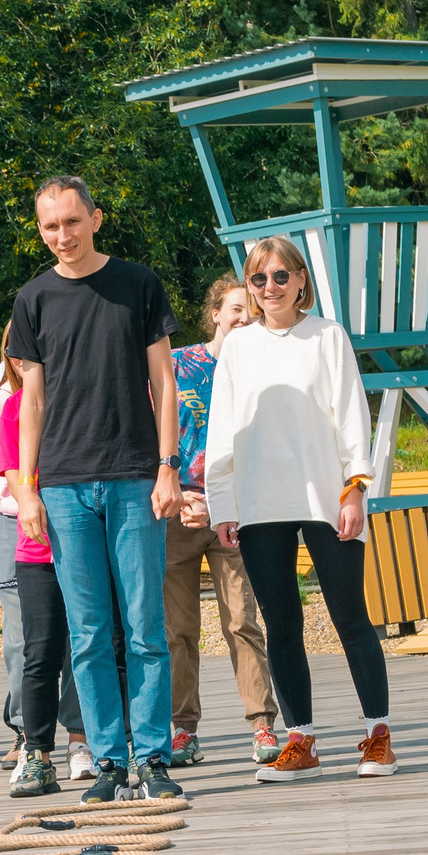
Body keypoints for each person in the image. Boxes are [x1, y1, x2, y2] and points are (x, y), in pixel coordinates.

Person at [5, 175, 184, 806]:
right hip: (63, 484)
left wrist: (169, 466)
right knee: (87, 631)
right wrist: (26, 490)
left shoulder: (137, 284)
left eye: (72, 222)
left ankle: (153, 757)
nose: (62, 236)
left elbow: (165, 382)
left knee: (143, 627)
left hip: (136, 476)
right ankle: (108, 760)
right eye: (51, 226)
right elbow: (32, 402)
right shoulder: (34, 298)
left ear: (96, 219)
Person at [205, 234, 396, 782]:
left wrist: (355, 488)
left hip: (326, 498)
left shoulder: (327, 337)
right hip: (261, 503)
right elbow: (223, 431)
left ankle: (378, 736)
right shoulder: (238, 348)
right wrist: (223, 502)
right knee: (281, 624)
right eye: (258, 279)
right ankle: (301, 741)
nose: (269, 288)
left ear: (301, 280)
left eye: (280, 277)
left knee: (349, 617)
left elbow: (352, 415)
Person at [166, 274, 282, 766]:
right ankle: (182, 730)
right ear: (215, 313)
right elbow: (157, 427)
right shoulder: (177, 364)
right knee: (178, 628)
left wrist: (224, 501)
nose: (243, 317)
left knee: (242, 621)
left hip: (234, 512)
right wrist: (176, 489)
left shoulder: (261, 366)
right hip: (179, 510)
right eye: (235, 309)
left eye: (250, 311)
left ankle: (261, 724)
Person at [0, 347, 91, 781]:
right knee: (37, 651)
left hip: (86, 541)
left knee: (86, 646)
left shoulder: (82, 396)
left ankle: (82, 741)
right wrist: (22, 500)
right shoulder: (12, 406)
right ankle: (36, 752)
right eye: (20, 357)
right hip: (35, 545)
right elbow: (7, 473)